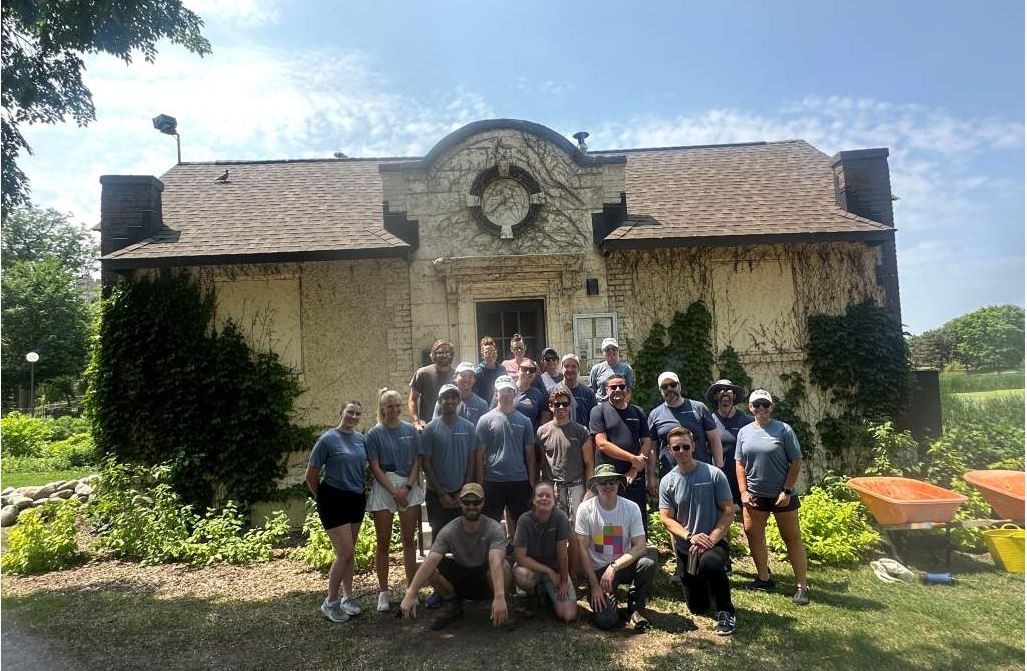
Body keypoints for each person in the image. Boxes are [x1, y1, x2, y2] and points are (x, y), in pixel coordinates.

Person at [399, 483, 512, 630]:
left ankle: (503, 604)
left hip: (487, 579)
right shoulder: (449, 530)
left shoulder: (494, 528)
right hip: (462, 577)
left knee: (503, 567)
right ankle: (453, 604)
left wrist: (499, 596)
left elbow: (495, 561)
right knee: (431, 568)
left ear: (483, 503)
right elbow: (431, 560)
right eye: (466, 502)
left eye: (476, 502)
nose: (471, 506)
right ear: (460, 502)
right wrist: (410, 593)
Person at [658, 427, 737, 636]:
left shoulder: (713, 474)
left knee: (710, 563)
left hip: (714, 543)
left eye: (686, 446)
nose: (682, 451)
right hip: (687, 547)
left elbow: (728, 512)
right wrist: (690, 537)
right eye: (677, 447)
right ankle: (704, 583)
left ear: (693, 446)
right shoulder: (668, 481)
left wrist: (710, 539)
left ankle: (726, 610)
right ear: (670, 450)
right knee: (698, 608)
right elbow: (666, 518)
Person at [736, 389, 810, 606]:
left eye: (764, 404)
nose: (760, 409)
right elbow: (739, 463)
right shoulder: (744, 432)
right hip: (755, 495)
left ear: (771, 407)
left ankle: (801, 586)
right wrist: (743, 491)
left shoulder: (784, 430)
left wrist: (787, 490)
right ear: (750, 407)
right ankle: (764, 577)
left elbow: (795, 462)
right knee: (753, 535)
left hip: (782, 496)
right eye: (756, 405)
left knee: (791, 538)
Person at [306, 399, 367, 623]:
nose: (353, 416)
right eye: (350, 412)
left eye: (357, 414)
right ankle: (330, 602)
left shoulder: (361, 439)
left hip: (356, 499)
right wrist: (323, 499)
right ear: (341, 412)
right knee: (344, 553)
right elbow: (311, 475)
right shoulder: (327, 439)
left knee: (351, 553)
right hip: (333, 499)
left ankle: (347, 598)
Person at [575, 464, 656, 632]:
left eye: (612, 481)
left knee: (647, 562)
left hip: (622, 565)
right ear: (596, 486)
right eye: (602, 482)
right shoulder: (585, 509)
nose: (607, 486)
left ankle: (635, 608)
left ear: (619, 483)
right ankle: (610, 600)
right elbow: (582, 550)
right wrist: (595, 586)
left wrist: (614, 566)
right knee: (606, 621)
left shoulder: (631, 508)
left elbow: (640, 546)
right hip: (597, 571)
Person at [366, 389, 424, 613]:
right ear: (383, 408)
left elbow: (416, 461)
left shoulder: (410, 430)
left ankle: (411, 589)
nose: (394, 409)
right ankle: (383, 592)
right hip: (384, 488)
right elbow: (374, 466)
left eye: (398, 405)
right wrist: (394, 491)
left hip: (408, 487)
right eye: (390, 406)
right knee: (383, 542)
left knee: (409, 541)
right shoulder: (374, 433)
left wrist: (407, 487)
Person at [589, 374, 656, 534]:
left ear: (627, 389)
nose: (617, 390)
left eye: (621, 386)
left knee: (636, 523)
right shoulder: (599, 411)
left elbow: (646, 442)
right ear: (607, 390)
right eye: (613, 387)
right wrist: (633, 458)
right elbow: (602, 443)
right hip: (608, 479)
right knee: (608, 524)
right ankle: (609, 558)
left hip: (634, 479)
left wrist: (634, 469)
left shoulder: (637, 412)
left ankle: (638, 556)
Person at [538, 385, 594, 574]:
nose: (561, 408)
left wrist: (589, 489)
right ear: (550, 405)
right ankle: (560, 573)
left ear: (570, 406)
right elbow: (539, 463)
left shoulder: (581, 431)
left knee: (577, 533)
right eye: (557, 404)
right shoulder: (542, 431)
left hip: (577, 486)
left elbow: (589, 462)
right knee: (556, 532)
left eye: (565, 404)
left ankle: (575, 574)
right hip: (552, 487)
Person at [475, 375, 536, 544]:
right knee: (491, 522)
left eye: (510, 390)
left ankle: (518, 555)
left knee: (521, 523)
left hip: (519, 480)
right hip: (493, 480)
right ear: (496, 394)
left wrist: (531, 481)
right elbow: (480, 454)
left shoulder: (525, 421)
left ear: (515, 393)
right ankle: (493, 555)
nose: (506, 394)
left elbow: (530, 454)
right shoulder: (485, 420)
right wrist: (480, 481)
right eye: (502, 391)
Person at [512, 482, 577, 622]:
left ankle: (547, 594)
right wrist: (548, 571)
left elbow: (562, 552)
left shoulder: (560, 518)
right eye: (540, 495)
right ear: (534, 500)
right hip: (530, 568)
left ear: (554, 500)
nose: (544, 498)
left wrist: (565, 580)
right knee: (522, 575)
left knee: (568, 615)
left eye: (548, 495)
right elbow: (520, 557)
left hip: (555, 569)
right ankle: (532, 595)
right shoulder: (524, 520)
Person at [648, 371, 724, 477]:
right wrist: (651, 476)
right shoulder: (655, 415)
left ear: (679, 386)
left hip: (701, 473)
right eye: (665, 387)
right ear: (660, 391)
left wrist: (719, 467)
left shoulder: (699, 408)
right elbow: (652, 448)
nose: (669, 388)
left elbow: (714, 439)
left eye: (673, 385)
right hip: (670, 475)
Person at [705, 379, 752, 506]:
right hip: (720, 478)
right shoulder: (708, 421)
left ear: (734, 396)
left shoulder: (748, 421)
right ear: (715, 396)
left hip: (745, 479)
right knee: (722, 518)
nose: (724, 393)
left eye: (728, 390)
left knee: (748, 519)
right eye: (720, 390)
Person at [408, 339, 455, 430]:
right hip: (427, 427)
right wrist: (416, 422)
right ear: (434, 354)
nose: (444, 355)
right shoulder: (423, 373)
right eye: (440, 352)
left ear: (451, 355)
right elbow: (412, 399)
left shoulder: (456, 376)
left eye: (447, 353)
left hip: (450, 428)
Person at [433, 361, 489, 426]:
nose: (466, 379)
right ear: (455, 378)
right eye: (463, 375)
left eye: (470, 376)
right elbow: (435, 427)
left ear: (474, 380)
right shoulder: (443, 401)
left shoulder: (482, 405)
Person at [507, 358, 550, 433]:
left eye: (532, 370)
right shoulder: (506, 389)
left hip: (529, 440)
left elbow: (544, 417)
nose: (528, 372)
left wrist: (538, 436)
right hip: (509, 437)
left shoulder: (538, 394)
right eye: (524, 369)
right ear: (518, 371)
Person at [587, 337, 635, 403]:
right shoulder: (596, 369)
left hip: (619, 406)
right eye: (607, 349)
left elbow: (629, 391)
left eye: (614, 348)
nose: (611, 351)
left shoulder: (626, 369)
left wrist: (622, 405)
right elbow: (591, 390)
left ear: (618, 351)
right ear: (603, 352)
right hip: (601, 406)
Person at [561, 353, 597, 427]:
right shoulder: (552, 392)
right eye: (566, 366)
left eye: (573, 366)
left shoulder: (588, 393)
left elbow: (594, 419)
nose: (570, 369)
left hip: (583, 437)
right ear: (561, 369)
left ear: (578, 369)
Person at [474, 337, 504, 401]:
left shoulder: (502, 370)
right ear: (482, 354)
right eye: (487, 352)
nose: (491, 355)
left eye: (493, 351)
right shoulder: (478, 372)